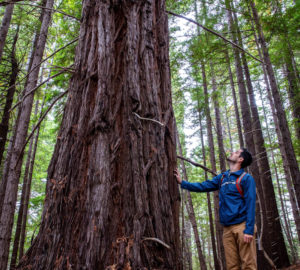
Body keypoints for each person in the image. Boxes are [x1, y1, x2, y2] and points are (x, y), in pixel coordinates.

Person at [174, 148, 257, 270]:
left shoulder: (246, 178)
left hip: (243, 226)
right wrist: (183, 183)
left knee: (248, 265)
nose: (233, 152)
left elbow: (251, 203)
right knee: (232, 266)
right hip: (227, 229)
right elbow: (203, 186)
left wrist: (249, 230)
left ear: (240, 159)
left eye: (237, 152)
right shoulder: (222, 177)